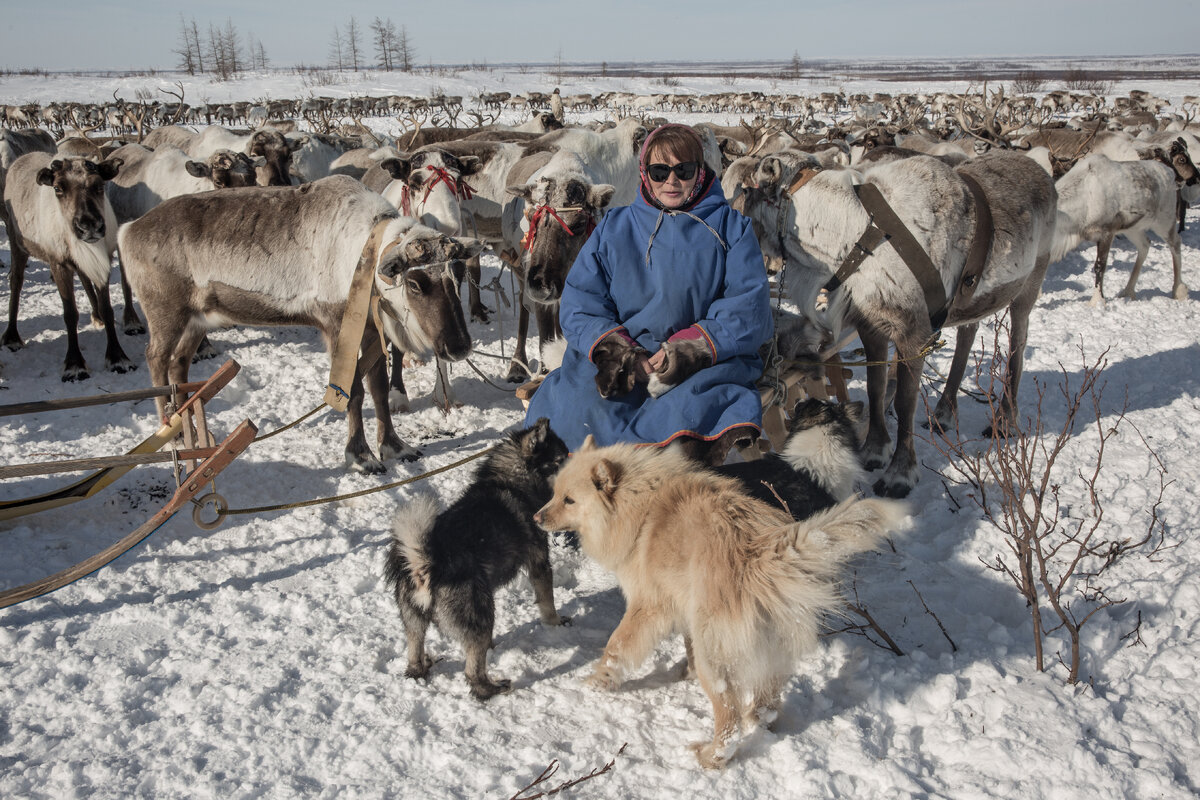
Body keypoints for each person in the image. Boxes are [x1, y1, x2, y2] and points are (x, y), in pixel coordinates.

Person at [523, 123, 772, 465]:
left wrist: (688, 349)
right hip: (619, 358)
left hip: (701, 364)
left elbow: (747, 308)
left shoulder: (732, 228)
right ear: (645, 173)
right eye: (660, 171)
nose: (671, 181)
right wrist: (621, 353)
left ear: (701, 173)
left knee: (686, 422)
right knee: (578, 409)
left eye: (683, 170)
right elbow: (582, 303)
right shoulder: (615, 226)